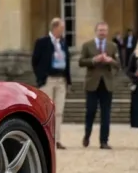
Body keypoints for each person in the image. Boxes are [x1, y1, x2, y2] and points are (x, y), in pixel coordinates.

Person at [78, 21, 120, 148]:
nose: (102, 32)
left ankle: (104, 141)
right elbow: (81, 61)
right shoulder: (87, 45)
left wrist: (110, 60)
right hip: (92, 83)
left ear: (107, 32)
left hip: (107, 83)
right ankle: (87, 136)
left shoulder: (112, 46)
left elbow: (118, 64)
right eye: (100, 30)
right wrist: (93, 60)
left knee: (105, 114)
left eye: (104, 30)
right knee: (90, 111)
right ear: (96, 31)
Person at [31, 18, 70, 149]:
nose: (63, 30)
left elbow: (67, 61)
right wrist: (41, 77)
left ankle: (57, 139)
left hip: (61, 80)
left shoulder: (63, 43)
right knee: (47, 111)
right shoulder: (42, 42)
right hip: (48, 80)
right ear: (55, 28)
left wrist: (68, 79)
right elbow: (35, 61)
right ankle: (46, 139)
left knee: (59, 111)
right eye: (62, 28)